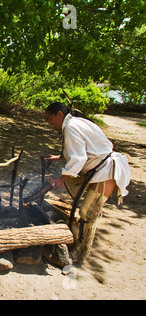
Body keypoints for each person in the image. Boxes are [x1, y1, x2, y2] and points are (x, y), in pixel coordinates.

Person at [44, 102, 130, 262]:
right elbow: (84, 149)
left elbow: (79, 157)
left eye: (50, 119)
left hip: (106, 169)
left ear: (60, 115)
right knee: (80, 200)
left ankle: (79, 253)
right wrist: (58, 157)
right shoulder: (75, 123)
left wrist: (62, 178)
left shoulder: (71, 126)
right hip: (96, 168)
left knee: (86, 212)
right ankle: (79, 233)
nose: (50, 124)